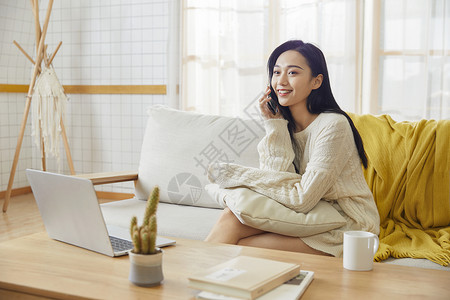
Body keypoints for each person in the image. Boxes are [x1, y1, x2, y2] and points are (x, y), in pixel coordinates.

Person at [205, 40, 380, 257]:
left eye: (293, 73)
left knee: (244, 246)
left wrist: (238, 175)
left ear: (316, 82)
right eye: (276, 73)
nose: (281, 81)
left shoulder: (333, 125)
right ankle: (198, 282)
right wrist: (275, 125)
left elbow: (302, 199)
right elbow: (276, 182)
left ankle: (199, 281)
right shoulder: (283, 124)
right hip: (309, 215)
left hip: (346, 225)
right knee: (232, 217)